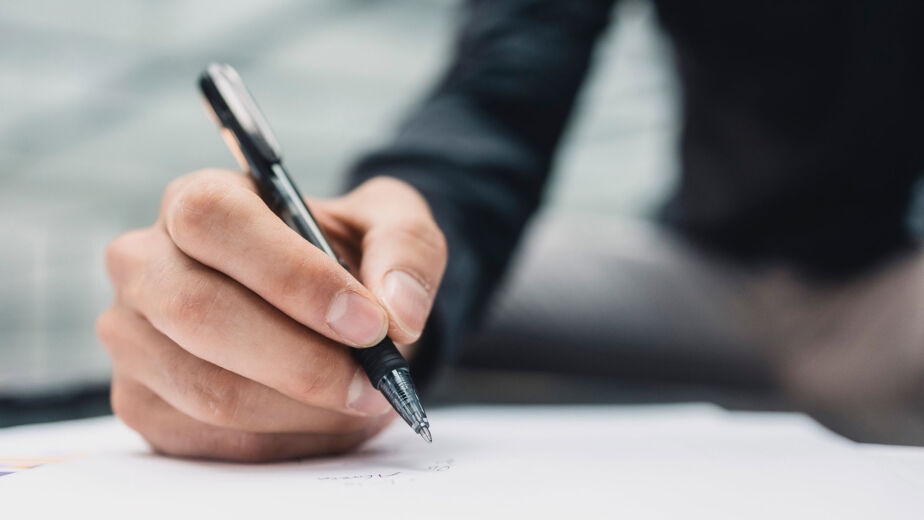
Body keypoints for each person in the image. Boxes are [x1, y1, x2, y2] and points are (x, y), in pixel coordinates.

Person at [97, 0, 924, 461]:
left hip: (892, 289)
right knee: (418, 290)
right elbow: (505, 83)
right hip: (694, 271)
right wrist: (386, 248)